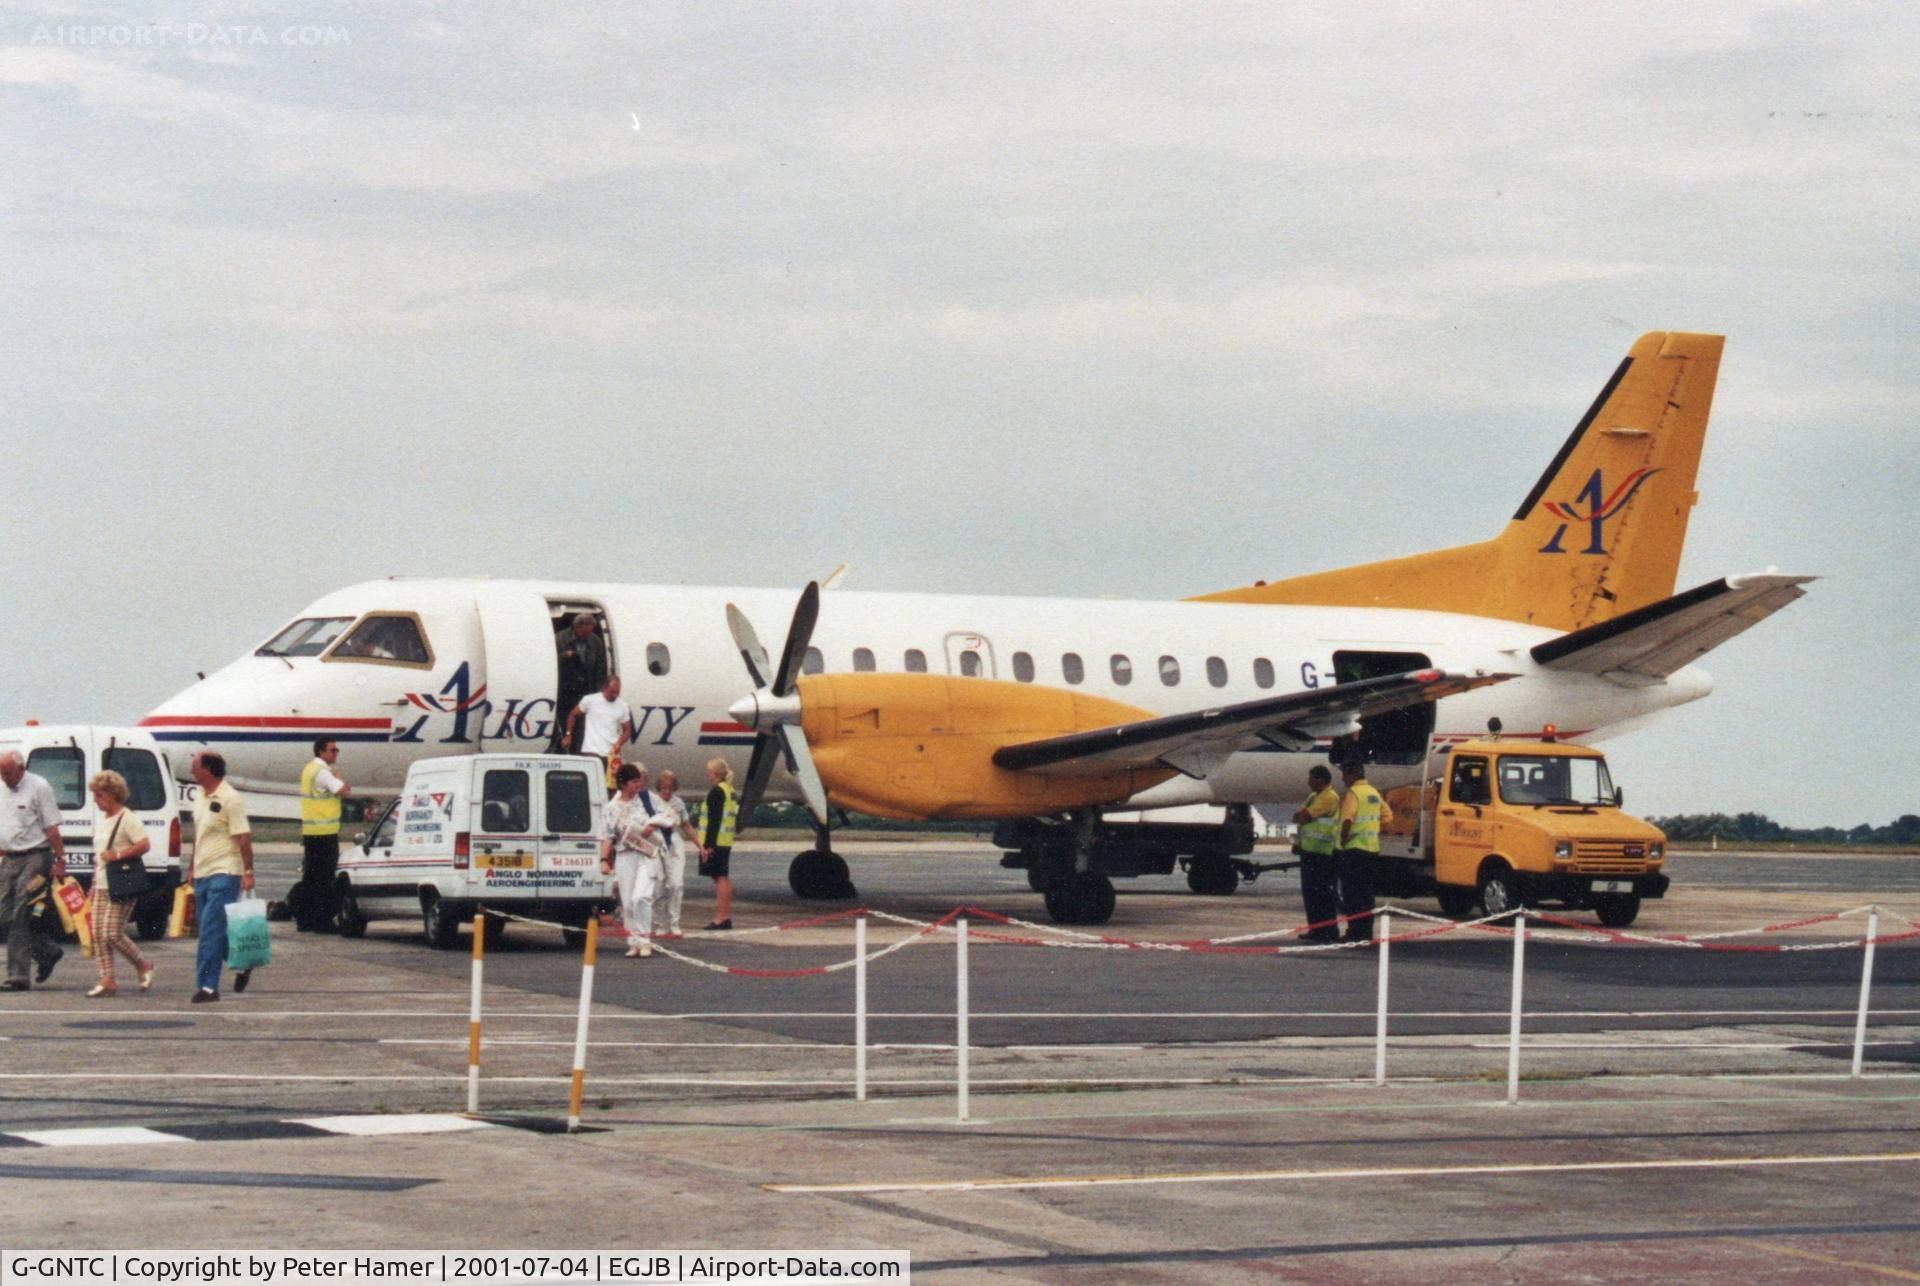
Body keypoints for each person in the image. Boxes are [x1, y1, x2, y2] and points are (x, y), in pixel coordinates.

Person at [187, 752, 256, 1002]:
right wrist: (192, 866)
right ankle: (240, 964)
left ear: (208, 770)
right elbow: (198, 833)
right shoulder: (200, 797)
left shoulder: (231, 799)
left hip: (226, 872)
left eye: (194, 766)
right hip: (203, 871)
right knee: (211, 929)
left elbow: (243, 838)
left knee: (210, 930)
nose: (191, 770)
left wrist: (248, 871)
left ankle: (207, 986)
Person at [0, 750, 67, 990]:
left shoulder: (40, 787)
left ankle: (17, 976)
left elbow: (52, 827)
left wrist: (60, 860)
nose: (4, 778)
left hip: (35, 858)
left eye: (8, 773)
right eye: (1, 773)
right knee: (4, 914)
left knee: (21, 912)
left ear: (21, 769)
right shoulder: (2, 787)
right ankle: (47, 951)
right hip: (10, 858)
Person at [85, 770, 156, 998]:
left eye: (99, 795)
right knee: (97, 933)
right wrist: (94, 885)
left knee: (112, 933)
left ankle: (143, 964)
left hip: (123, 883)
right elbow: (99, 856)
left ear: (114, 794)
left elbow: (144, 844)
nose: (96, 800)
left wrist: (118, 854)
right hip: (103, 883)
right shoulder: (103, 820)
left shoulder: (128, 818)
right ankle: (107, 979)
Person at [600, 764, 663, 958]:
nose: (639, 785)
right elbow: (607, 836)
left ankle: (645, 941)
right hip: (625, 855)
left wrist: (653, 825)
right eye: (635, 781)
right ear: (624, 783)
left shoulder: (646, 798)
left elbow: (667, 815)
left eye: (640, 781)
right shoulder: (610, 807)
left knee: (641, 897)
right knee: (627, 902)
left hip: (645, 853)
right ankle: (633, 942)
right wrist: (603, 860)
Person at [293, 739, 351, 933]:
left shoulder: (309, 769)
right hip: (325, 833)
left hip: (311, 832)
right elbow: (344, 791)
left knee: (310, 878)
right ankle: (323, 922)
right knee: (325, 880)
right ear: (321, 751)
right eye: (333, 750)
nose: (336, 753)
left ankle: (304, 920)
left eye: (337, 750)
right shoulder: (322, 773)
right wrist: (339, 777)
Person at [1336, 759, 1393, 944]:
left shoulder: (1353, 793)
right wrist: (1371, 827)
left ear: (1352, 775)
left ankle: (1354, 932)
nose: (1343, 778)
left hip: (1354, 850)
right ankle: (1366, 932)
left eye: (1344, 774)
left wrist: (1344, 837)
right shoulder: (1373, 793)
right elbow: (1388, 816)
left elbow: (1347, 819)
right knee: (1367, 895)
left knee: (1352, 894)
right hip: (1371, 849)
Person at [1291, 765, 1342, 944]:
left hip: (1323, 852)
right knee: (1310, 893)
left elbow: (1304, 816)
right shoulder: (1314, 796)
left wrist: (1302, 816)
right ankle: (1316, 929)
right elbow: (1297, 816)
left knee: (1323, 893)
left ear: (1321, 780)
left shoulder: (1329, 797)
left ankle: (1328, 931)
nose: (1308, 782)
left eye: (1311, 779)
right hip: (1309, 850)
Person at [650, 770, 702, 939]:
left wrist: (700, 846)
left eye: (670, 788)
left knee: (676, 885)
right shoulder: (652, 802)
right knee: (658, 887)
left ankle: (674, 923)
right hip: (657, 841)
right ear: (659, 788)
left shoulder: (678, 803)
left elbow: (686, 826)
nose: (667, 791)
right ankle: (659, 923)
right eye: (664, 788)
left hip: (674, 842)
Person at [553, 614, 608, 752]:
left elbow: (600, 668)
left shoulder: (595, 642)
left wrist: (598, 693)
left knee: (582, 726)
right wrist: (564, 656)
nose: (586, 635)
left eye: (589, 632)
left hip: (586, 690)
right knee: (565, 720)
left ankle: (578, 750)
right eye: (584, 632)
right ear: (576, 627)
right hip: (565, 690)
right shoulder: (560, 639)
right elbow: (551, 661)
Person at [697, 757, 738, 931]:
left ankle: (721, 917)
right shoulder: (729, 790)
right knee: (722, 877)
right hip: (725, 841)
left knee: (720, 878)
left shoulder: (717, 791)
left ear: (715, 773)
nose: (707, 774)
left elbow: (714, 820)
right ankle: (725, 916)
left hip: (715, 841)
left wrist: (708, 845)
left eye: (709, 771)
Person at [564, 675, 632, 771]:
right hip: (591, 750)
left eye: (617, 692)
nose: (615, 695)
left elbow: (627, 730)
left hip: (611, 753)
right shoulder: (590, 700)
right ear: (604, 688)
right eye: (612, 692)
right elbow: (572, 715)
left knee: (610, 785)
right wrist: (568, 735)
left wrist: (619, 743)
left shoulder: (623, 706)